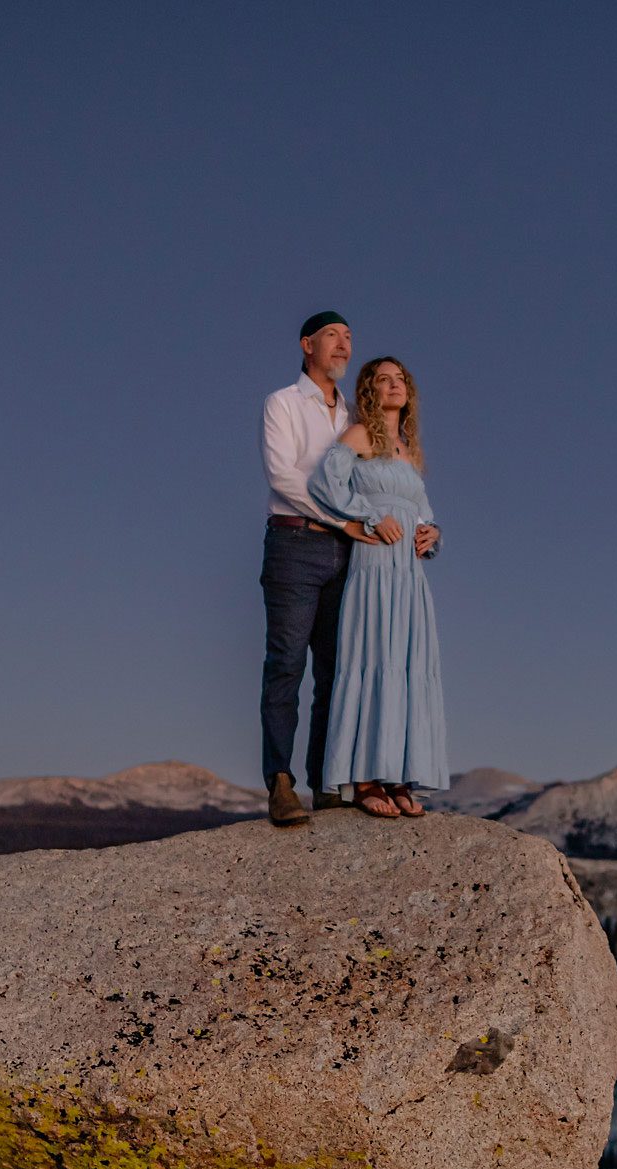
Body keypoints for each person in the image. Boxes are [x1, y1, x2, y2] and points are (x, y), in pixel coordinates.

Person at [307, 356, 446, 818]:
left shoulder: (408, 449)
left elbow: (423, 512)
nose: (394, 385)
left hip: (409, 575)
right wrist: (365, 515)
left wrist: (432, 534)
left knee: (407, 664)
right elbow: (324, 482)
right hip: (373, 564)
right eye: (383, 380)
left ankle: (398, 775)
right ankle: (365, 777)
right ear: (369, 390)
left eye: (400, 379)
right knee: (374, 657)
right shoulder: (360, 436)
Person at [258, 311, 355, 826]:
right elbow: (283, 477)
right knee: (286, 663)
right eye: (333, 337)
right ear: (306, 345)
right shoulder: (283, 403)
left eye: (348, 339)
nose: (343, 346)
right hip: (294, 543)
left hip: (347, 552)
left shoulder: (354, 418)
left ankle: (325, 782)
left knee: (335, 672)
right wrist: (344, 516)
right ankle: (280, 782)